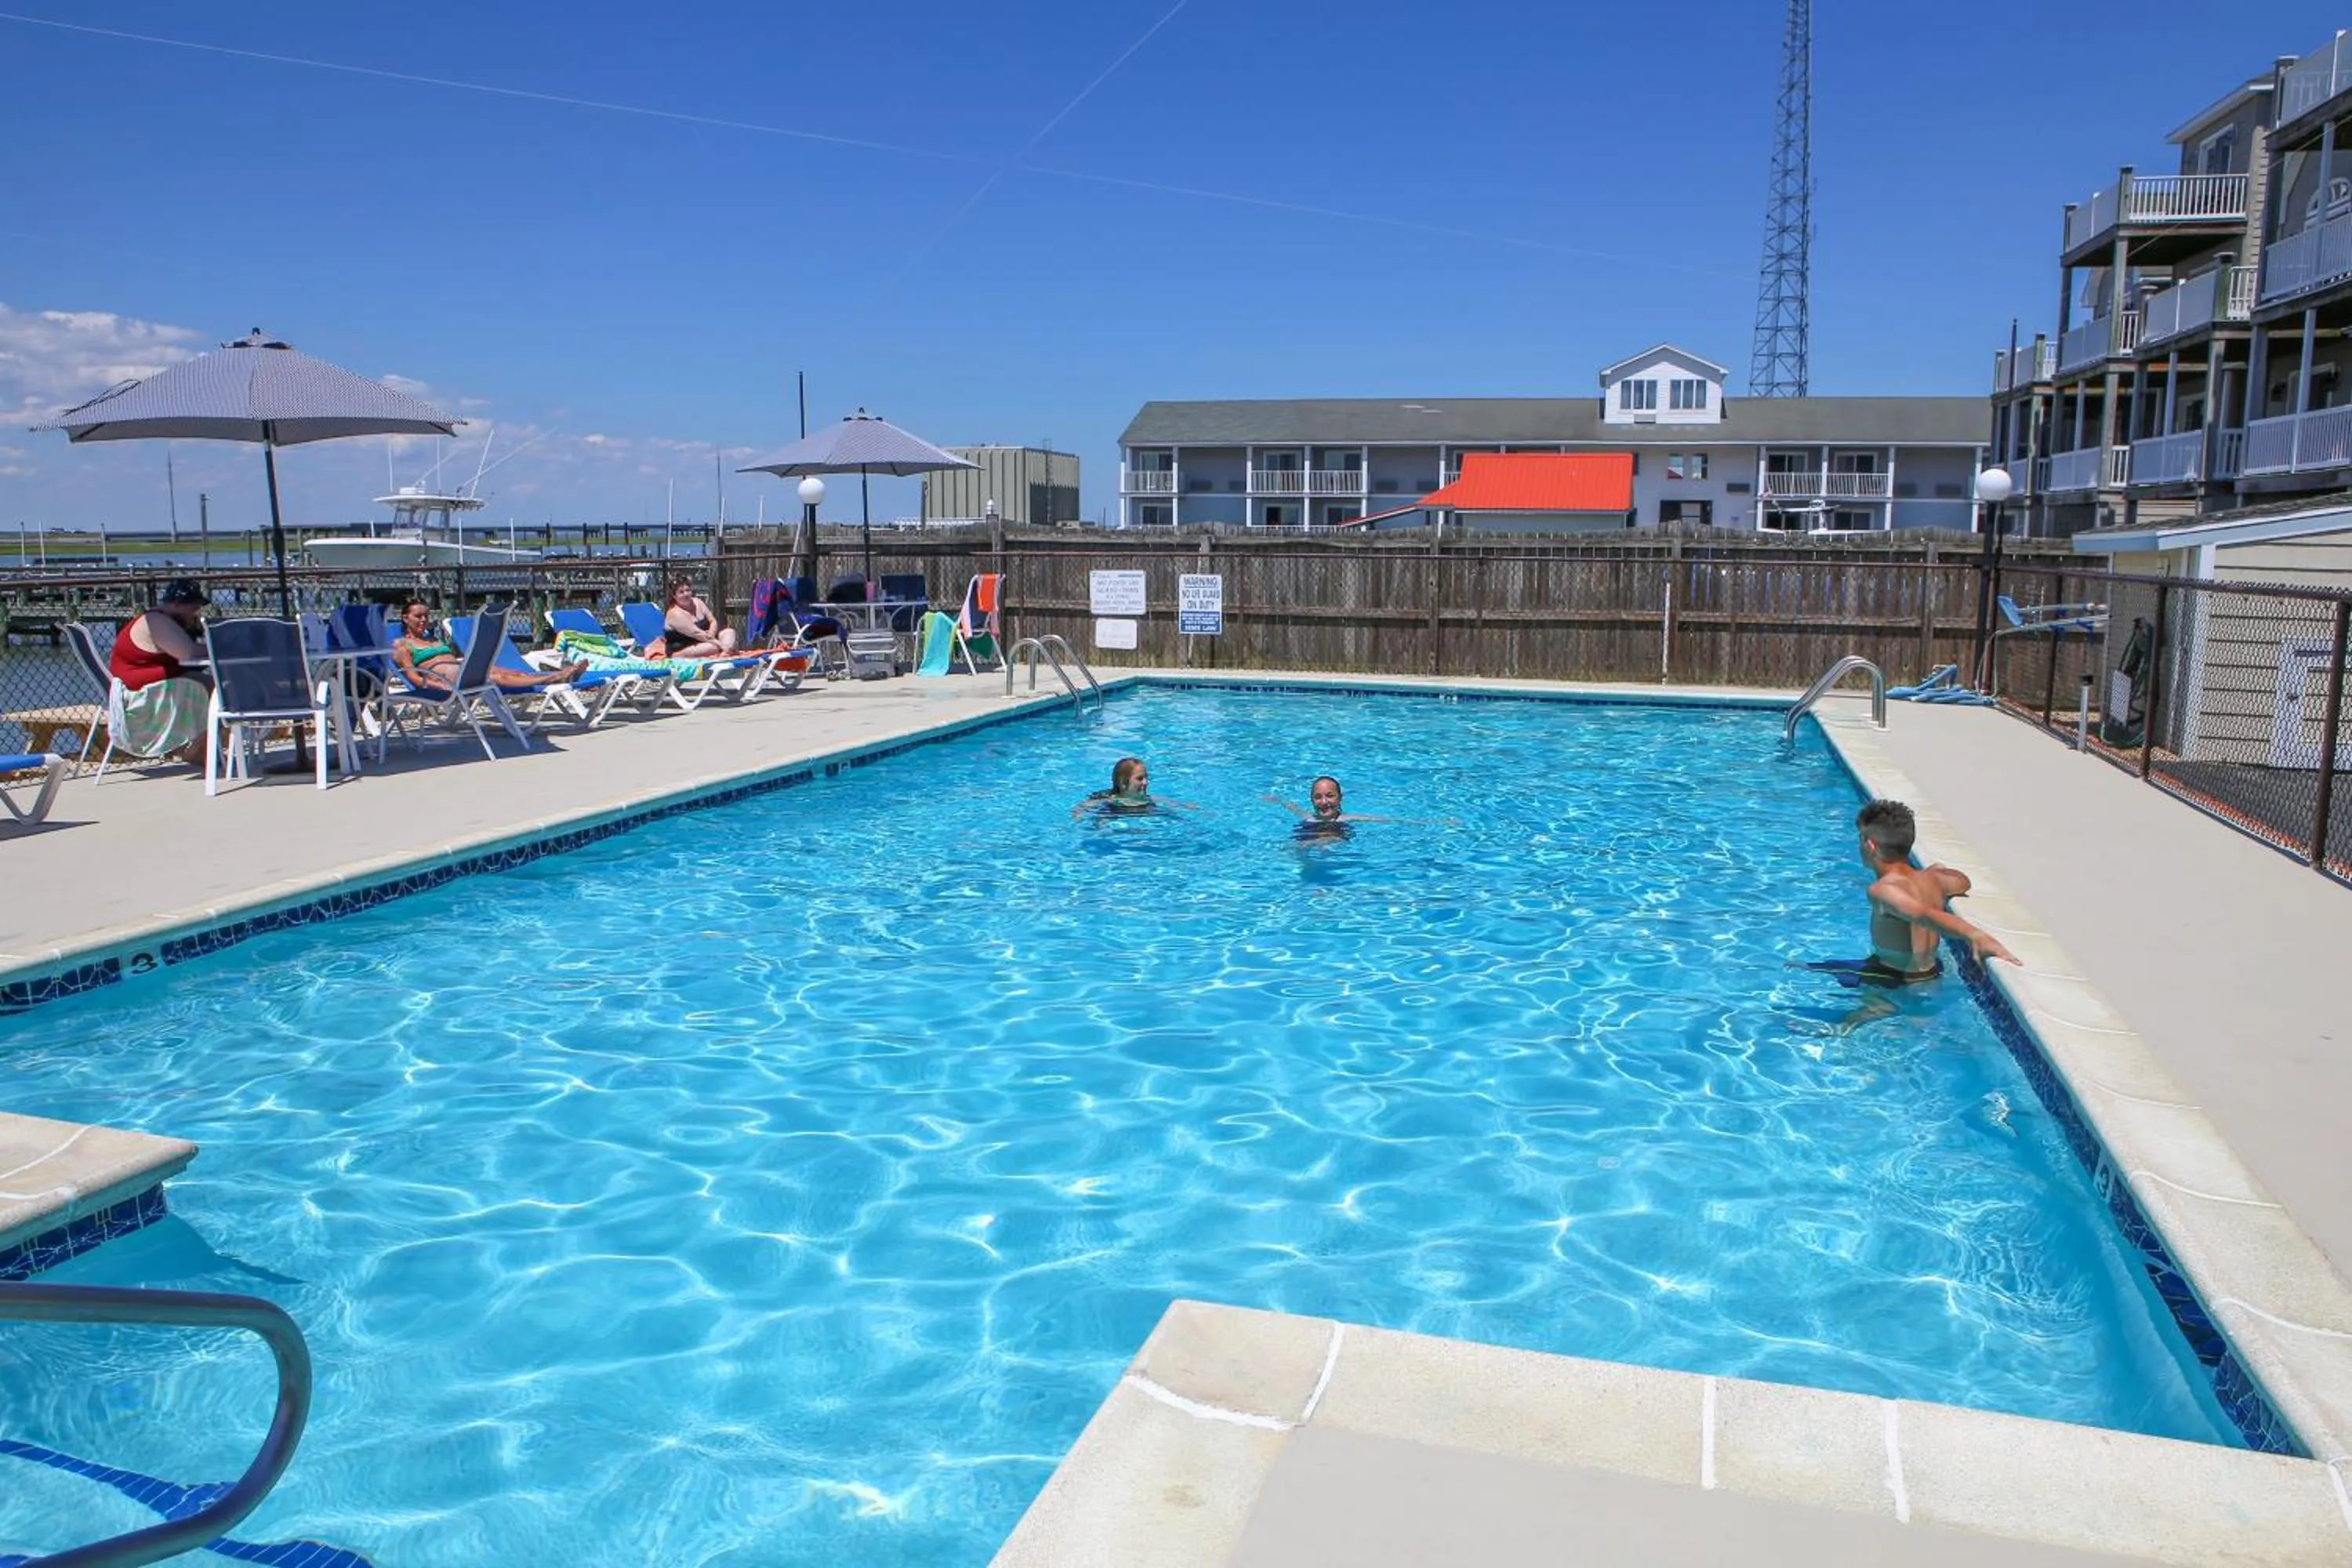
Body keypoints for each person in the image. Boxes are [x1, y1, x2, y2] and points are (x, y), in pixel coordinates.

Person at [1806, 799, 2016, 1027]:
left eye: (1860, 839)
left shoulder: (1882, 890)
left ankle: (1859, 1019)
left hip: (1891, 981)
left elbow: (1921, 914)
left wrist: (1975, 935)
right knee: (1816, 967)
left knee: (1839, 1022)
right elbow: (1962, 882)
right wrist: (1937, 871)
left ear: (1870, 845)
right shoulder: (1933, 879)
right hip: (1931, 973)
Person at [105, 578, 212, 764]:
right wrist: (222, 646)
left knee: (210, 685)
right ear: (177, 604)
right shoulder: (157, 621)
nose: (195, 612)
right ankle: (199, 751)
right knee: (215, 690)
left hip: (150, 687)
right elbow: (188, 653)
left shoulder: (163, 619)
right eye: (193, 607)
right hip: (140, 696)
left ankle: (200, 749)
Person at [390, 601, 588, 692]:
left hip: (459, 668)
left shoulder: (432, 639)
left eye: (426, 615)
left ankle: (557, 676)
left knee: (513, 672)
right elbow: (413, 677)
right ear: (405, 618)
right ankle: (555, 677)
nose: (424, 620)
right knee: (496, 677)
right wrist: (441, 686)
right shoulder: (401, 644)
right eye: (418, 616)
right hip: (445, 677)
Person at [1264, 775, 1448, 841]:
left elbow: (1391, 820)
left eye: (1330, 796)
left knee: (1323, 844)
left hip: (1333, 838)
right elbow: (1292, 807)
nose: (1324, 802)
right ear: (1312, 800)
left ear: (1340, 798)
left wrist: (1434, 822)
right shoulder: (1308, 818)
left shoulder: (1346, 819)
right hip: (1309, 837)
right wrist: (1278, 799)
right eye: (1318, 797)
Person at [1073, 756, 1194, 818]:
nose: (1145, 782)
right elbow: (1082, 806)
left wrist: (1186, 806)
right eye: (1140, 779)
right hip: (1116, 812)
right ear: (1123, 783)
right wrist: (1078, 814)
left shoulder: (1148, 800)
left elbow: (1168, 802)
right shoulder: (1109, 800)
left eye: (1146, 777)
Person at [662, 578, 739, 659]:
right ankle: (725, 651)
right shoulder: (675, 613)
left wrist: (711, 633)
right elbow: (696, 633)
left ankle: (724, 654)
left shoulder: (697, 602)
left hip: (705, 640)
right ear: (674, 596)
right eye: (681, 592)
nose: (686, 594)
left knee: (729, 632)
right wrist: (721, 645)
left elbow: (712, 621)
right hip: (683, 647)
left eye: (688, 590)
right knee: (713, 647)